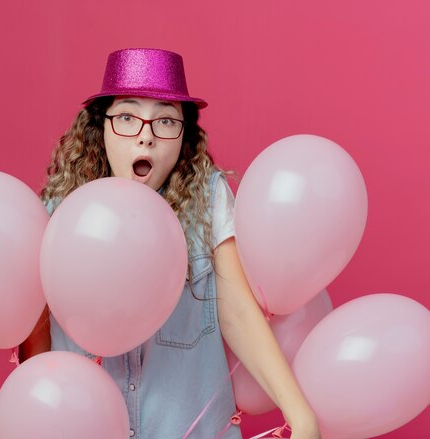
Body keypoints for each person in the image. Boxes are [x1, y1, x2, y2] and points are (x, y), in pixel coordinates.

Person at [20, 48, 321, 439]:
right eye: (127, 117)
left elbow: (237, 311)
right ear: (102, 128)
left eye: (164, 121)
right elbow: (34, 334)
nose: (145, 136)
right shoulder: (58, 214)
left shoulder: (206, 198)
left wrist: (300, 412)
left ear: (184, 135)